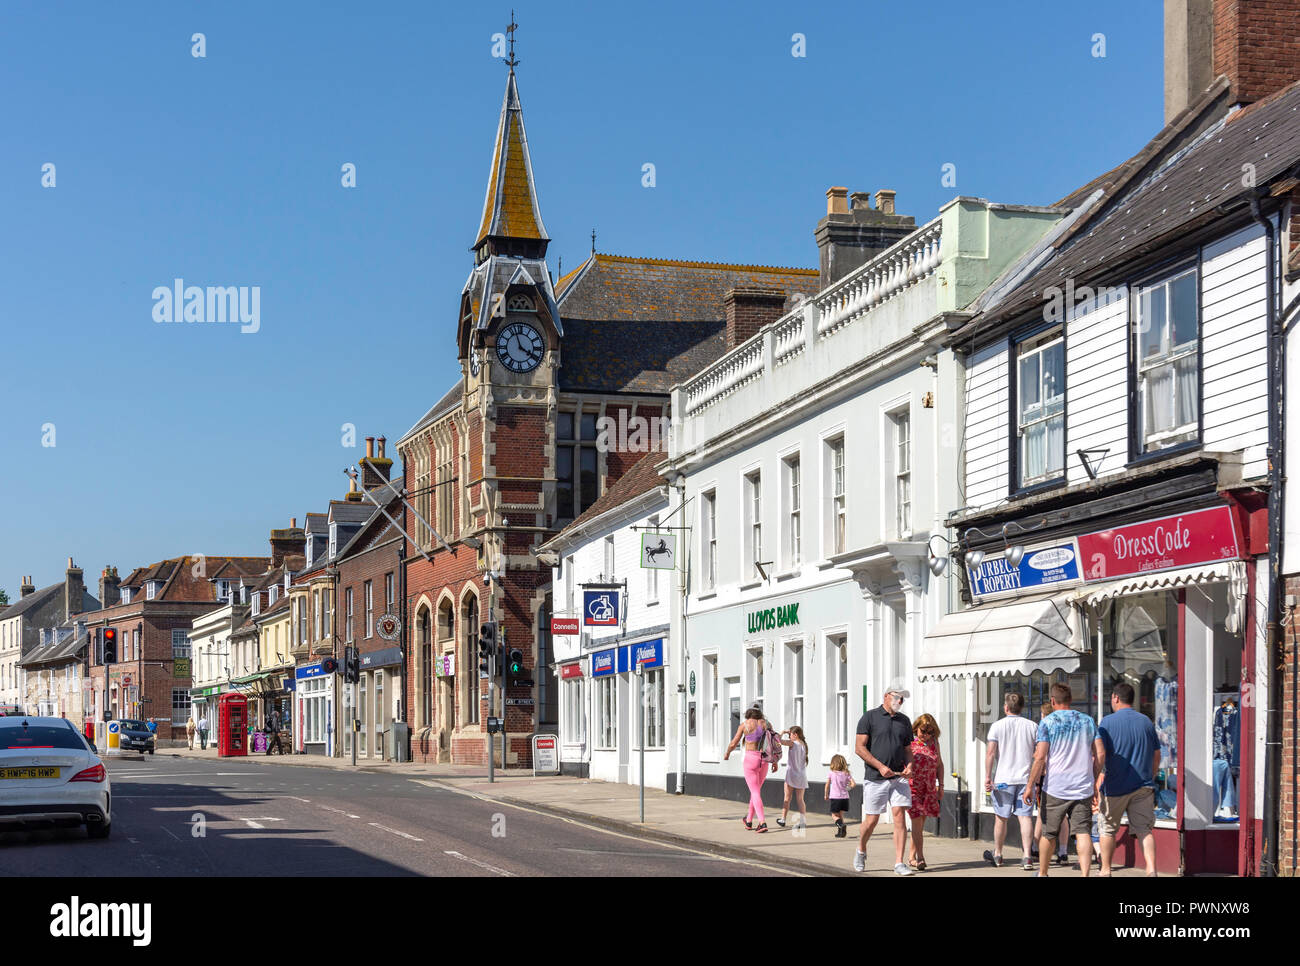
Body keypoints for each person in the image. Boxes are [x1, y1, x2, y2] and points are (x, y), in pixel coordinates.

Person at [1023, 683, 1104, 877]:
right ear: (1070, 700)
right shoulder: (1088, 721)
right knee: (1083, 831)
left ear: (1053, 701)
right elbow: (1100, 753)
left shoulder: (1047, 722)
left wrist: (1030, 786)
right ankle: (1085, 874)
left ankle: (1043, 873)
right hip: (1082, 786)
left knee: (1049, 833)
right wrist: (1093, 779)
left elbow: (1040, 757)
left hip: (1055, 788)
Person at [1097, 681, 1160, 876]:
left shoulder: (1107, 722)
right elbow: (1157, 754)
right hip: (1143, 785)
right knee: (1144, 829)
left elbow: (1101, 754)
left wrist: (1096, 779)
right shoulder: (1146, 721)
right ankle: (1151, 869)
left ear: (1115, 698)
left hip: (1115, 786)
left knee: (1107, 829)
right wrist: (1152, 774)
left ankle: (1106, 870)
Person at [853, 678, 915, 876]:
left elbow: (908, 750)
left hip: (899, 778)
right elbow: (859, 748)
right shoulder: (869, 717)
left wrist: (910, 765)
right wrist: (880, 767)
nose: (900, 701)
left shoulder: (904, 721)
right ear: (887, 696)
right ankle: (861, 849)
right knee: (872, 820)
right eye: (898, 697)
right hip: (875, 777)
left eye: (902, 699)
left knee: (899, 816)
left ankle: (899, 863)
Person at [984, 692, 1039, 870]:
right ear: (1022, 707)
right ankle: (1027, 856)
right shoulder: (1032, 726)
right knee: (1025, 818)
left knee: (1001, 818)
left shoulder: (997, 726)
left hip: (1003, 780)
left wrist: (987, 777)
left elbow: (991, 753)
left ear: (1006, 708)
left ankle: (998, 854)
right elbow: (1038, 754)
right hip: (1025, 779)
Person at [724, 707, 778, 832]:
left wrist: (727, 754)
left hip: (750, 760)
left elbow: (733, 743)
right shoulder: (767, 724)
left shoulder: (745, 725)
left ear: (748, 716)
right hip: (764, 760)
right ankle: (748, 820)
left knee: (755, 792)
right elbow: (774, 743)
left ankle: (762, 822)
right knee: (756, 791)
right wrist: (775, 761)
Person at [1031, 700, 1070, 866]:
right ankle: (1063, 850)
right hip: (1065, 776)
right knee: (1064, 816)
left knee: (1042, 814)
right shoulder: (1064, 731)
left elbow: (1040, 757)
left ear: (1043, 715)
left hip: (1047, 777)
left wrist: (1033, 781)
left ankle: (1035, 847)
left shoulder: (1045, 729)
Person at [906, 714, 944, 871]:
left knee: (920, 825)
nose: (926, 735)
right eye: (923, 731)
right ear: (916, 728)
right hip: (912, 788)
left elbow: (939, 765)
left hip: (928, 789)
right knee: (916, 822)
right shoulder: (909, 742)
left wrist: (940, 786)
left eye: (930, 732)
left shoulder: (934, 743)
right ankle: (920, 857)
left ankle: (910, 857)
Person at [777, 726, 809, 829]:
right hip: (801, 775)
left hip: (791, 774)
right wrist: (788, 732)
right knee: (800, 799)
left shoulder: (792, 743)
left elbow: (778, 740)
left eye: (790, 734)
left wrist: (782, 732)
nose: (789, 736)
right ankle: (803, 822)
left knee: (787, 798)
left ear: (795, 735)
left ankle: (783, 819)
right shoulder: (804, 744)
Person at [826, 754, 856, 837]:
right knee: (840, 815)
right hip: (845, 798)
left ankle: (841, 825)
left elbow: (827, 785)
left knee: (834, 815)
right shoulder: (847, 773)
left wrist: (826, 794)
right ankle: (841, 832)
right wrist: (847, 789)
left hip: (835, 798)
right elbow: (853, 784)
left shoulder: (831, 773)